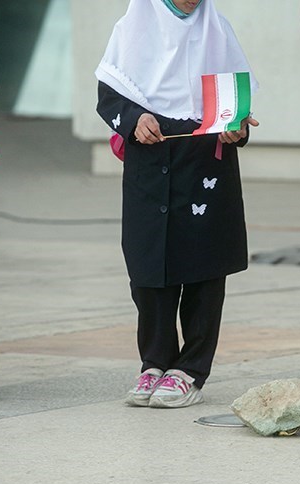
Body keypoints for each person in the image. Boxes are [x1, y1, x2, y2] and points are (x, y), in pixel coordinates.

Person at [95, 0, 259, 409]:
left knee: (204, 266)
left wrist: (235, 128)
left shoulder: (217, 31)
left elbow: (235, 109)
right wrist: (133, 119)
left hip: (203, 160)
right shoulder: (132, 27)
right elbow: (109, 96)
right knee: (149, 265)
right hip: (150, 159)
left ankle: (190, 370)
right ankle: (154, 362)